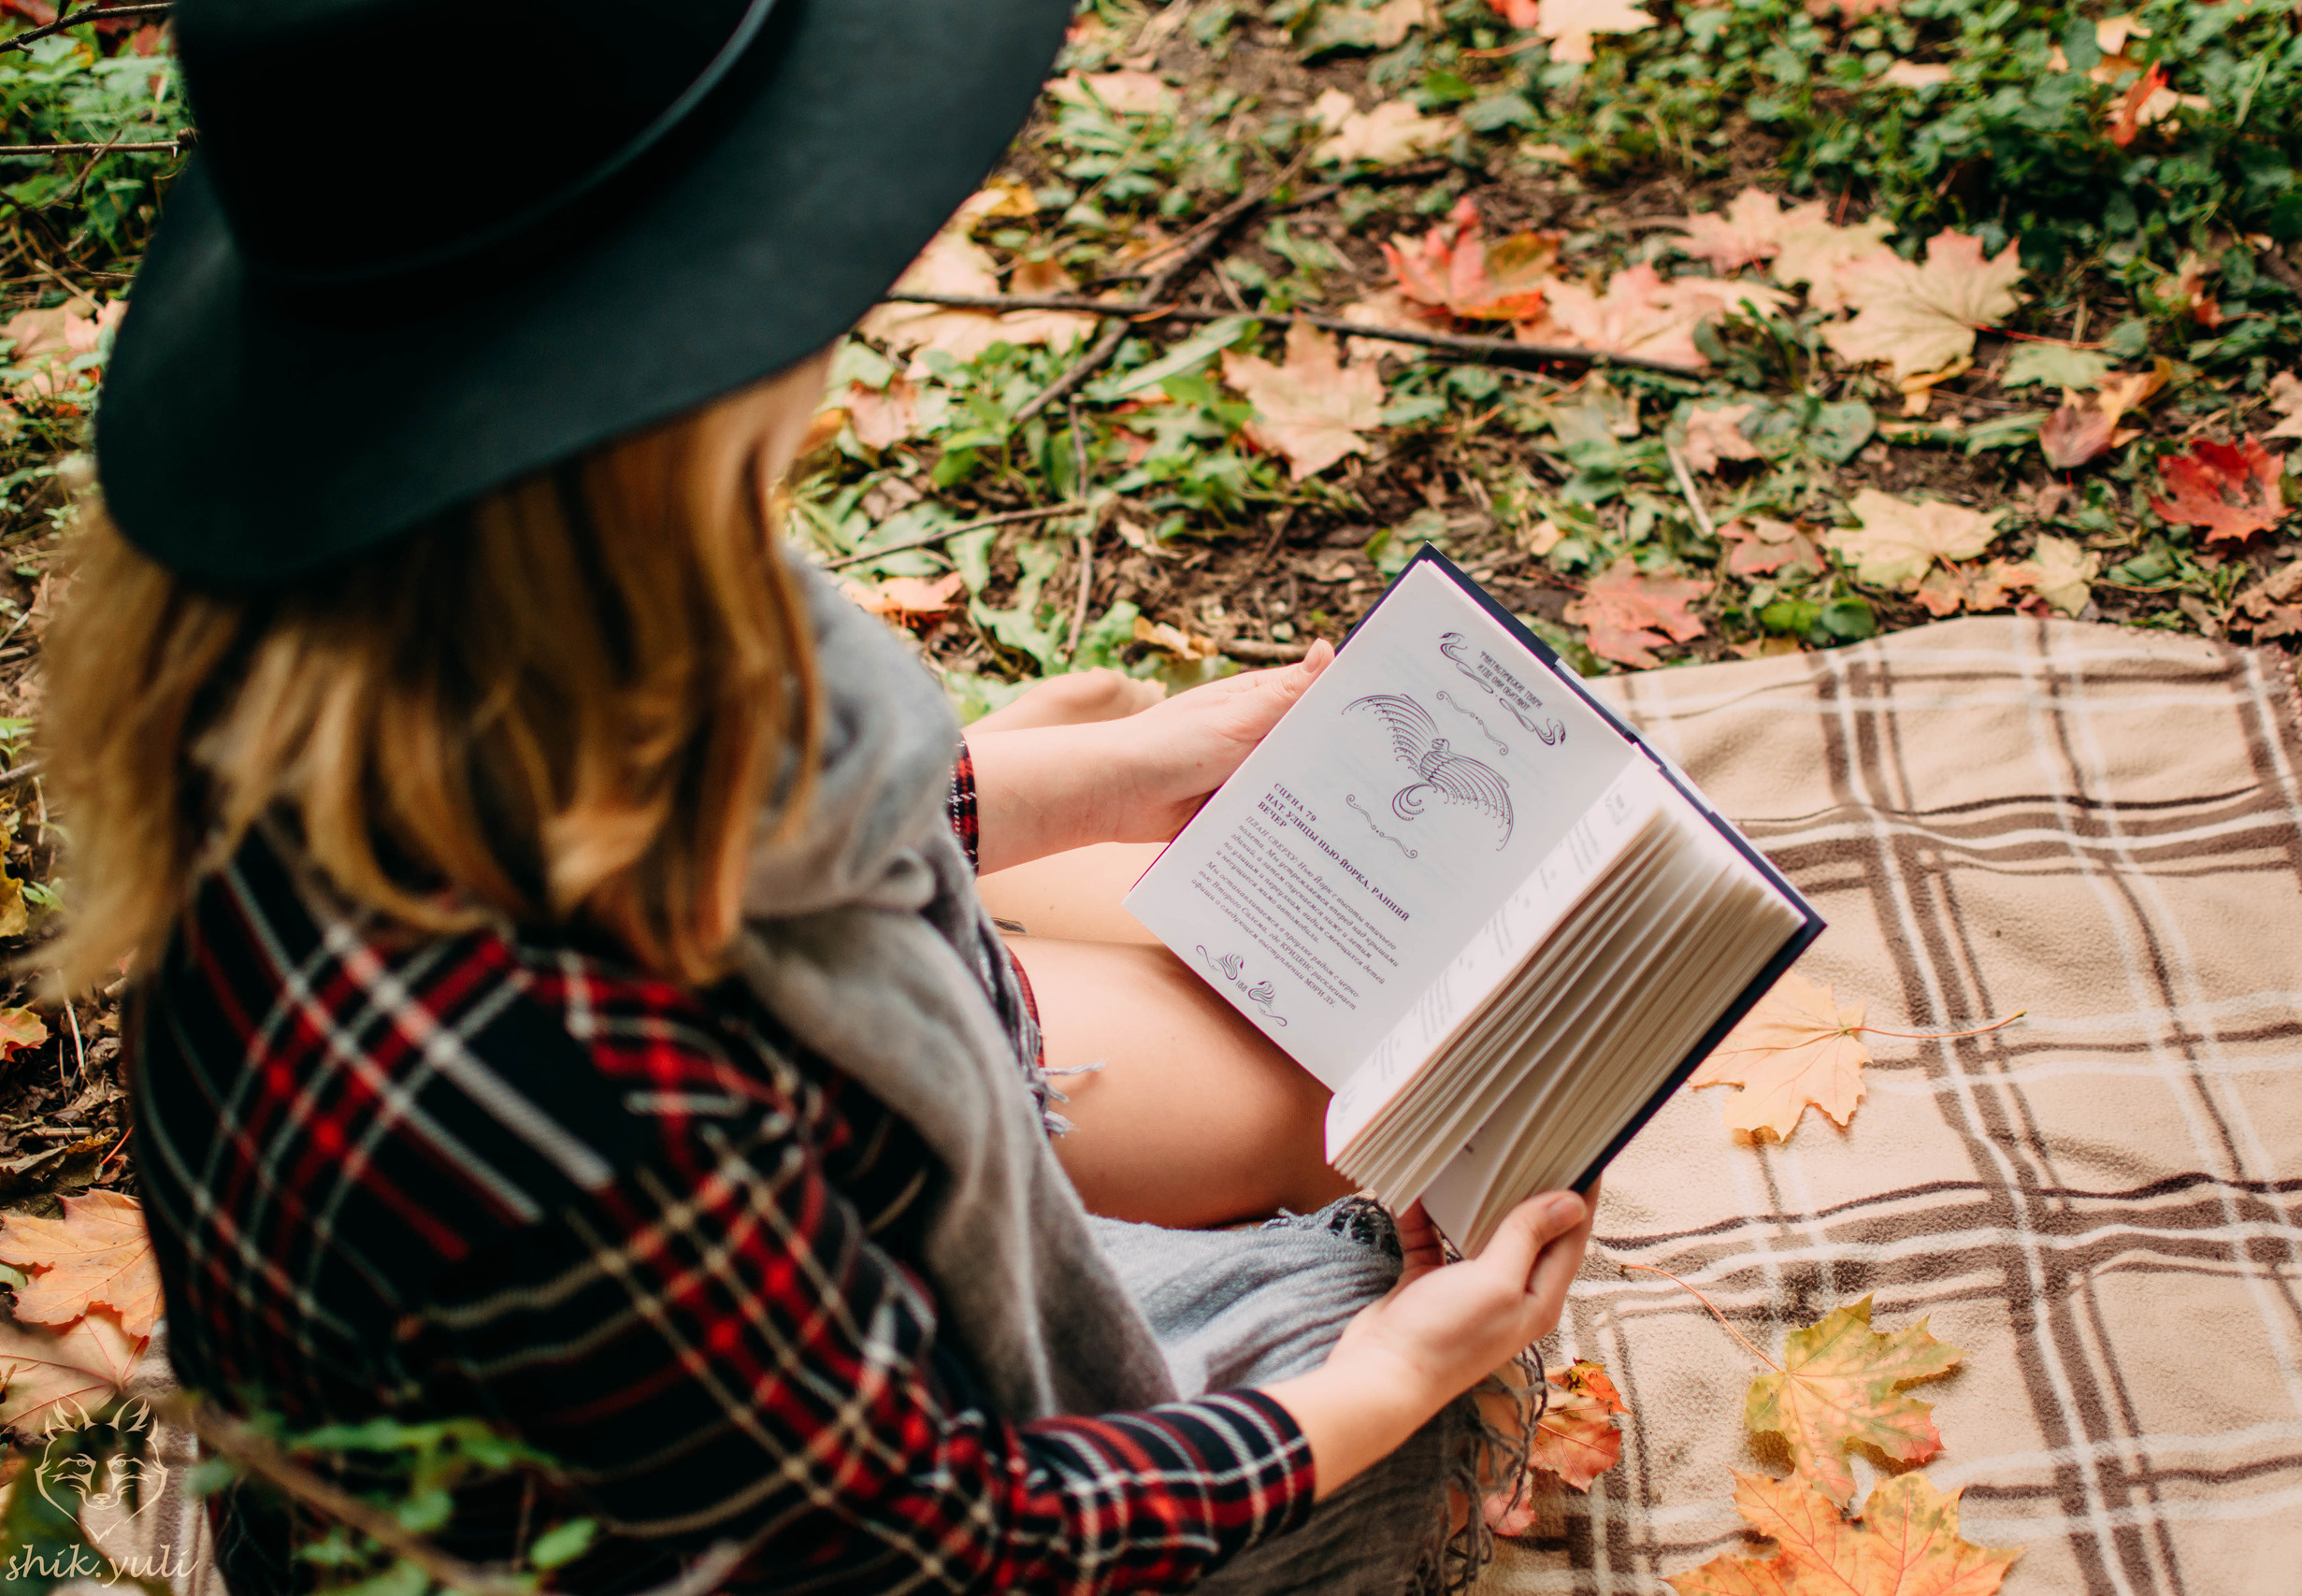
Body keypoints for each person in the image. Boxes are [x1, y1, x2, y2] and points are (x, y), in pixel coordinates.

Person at [44, 1, 1595, 1591]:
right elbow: (937, 1537)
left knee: (1247, 1079)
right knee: (1383, 1342)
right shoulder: (588, 1092)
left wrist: (1109, 775)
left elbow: (730, 828)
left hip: (685, 1362)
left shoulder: (362, 651)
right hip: (746, 1521)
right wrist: (1384, 1383)